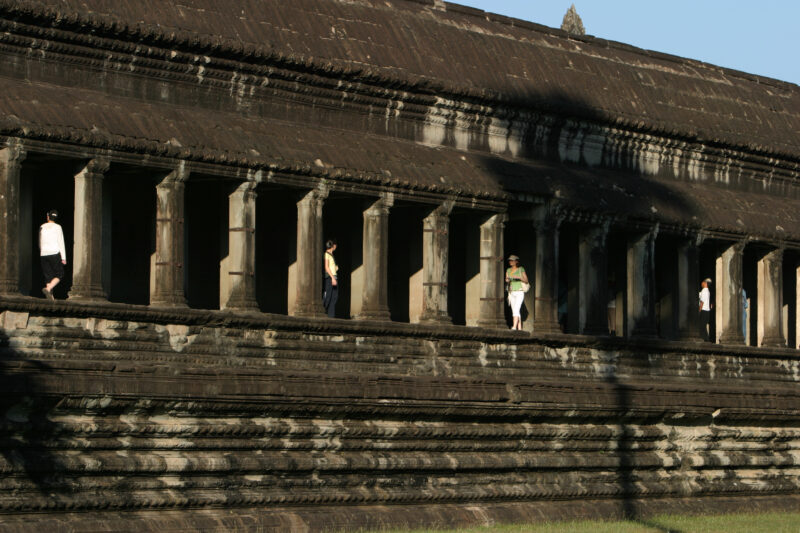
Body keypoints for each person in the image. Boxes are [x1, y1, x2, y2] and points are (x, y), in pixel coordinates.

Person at [39, 209, 66, 301]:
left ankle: (50, 297)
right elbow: (61, 242)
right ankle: (49, 288)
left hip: (43, 253)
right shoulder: (58, 227)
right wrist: (63, 257)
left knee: (48, 275)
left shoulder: (42, 226)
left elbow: (40, 241)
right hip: (54, 253)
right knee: (60, 274)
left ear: (48, 216)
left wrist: (41, 250)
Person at [505, 254, 529, 331]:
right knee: (515, 310)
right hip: (512, 292)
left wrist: (518, 277)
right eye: (510, 260)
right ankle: (519, 327)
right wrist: (507, 280)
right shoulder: (508, 270)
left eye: (512, 260)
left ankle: (514, 327)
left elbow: (526, 280)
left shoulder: (521, 269)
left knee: (516, 309)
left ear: (516, 262)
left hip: (519, 291)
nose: (510, 262)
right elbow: (507, 279)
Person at [322, 239, 338, 318]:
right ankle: (322, 310)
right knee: (328, 295)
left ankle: (331, 316)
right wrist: (332, 278)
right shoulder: (326, 254)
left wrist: (335, 268)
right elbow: (326, 267)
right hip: (330, 277)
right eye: (335, 245)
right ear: (333, 246)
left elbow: (330, 267)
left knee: (334, 297)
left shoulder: (331, 255)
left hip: (334, 276)